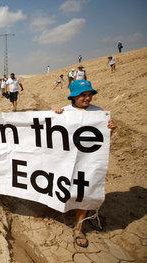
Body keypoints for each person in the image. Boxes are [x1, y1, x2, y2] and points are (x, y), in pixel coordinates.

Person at [55, 80, 116, 248]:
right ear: (73, 97)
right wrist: (54, 117)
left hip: (87, 159)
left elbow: (103, 138)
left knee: (84, 189)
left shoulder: (99, 112)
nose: (87, 98)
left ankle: (79, 227)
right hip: (66, 159)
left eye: (89, 94)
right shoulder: (64, 112)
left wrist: (110, 128)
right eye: (83, 95)